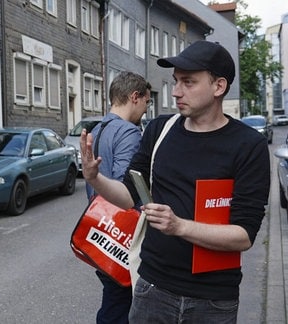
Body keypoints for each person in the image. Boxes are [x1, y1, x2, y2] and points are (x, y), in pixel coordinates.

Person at [80, 40, 270, 323]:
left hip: (213, 299)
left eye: (188, 82)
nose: (176, 92)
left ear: (218, 86)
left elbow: (244, 236)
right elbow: (129, 196)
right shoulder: (159, 130)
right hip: (152, 288)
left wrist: (178, 226)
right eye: (176, 81)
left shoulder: (248, 145)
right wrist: (95, 178)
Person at [85, 71, 151, 324]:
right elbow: (128, 188)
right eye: (146, 102)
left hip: (100, 229)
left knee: (113, 298)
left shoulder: (98, 129)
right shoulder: (129, 132)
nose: (145, 110)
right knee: (121, 305)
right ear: (135, 97)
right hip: (121, 235)